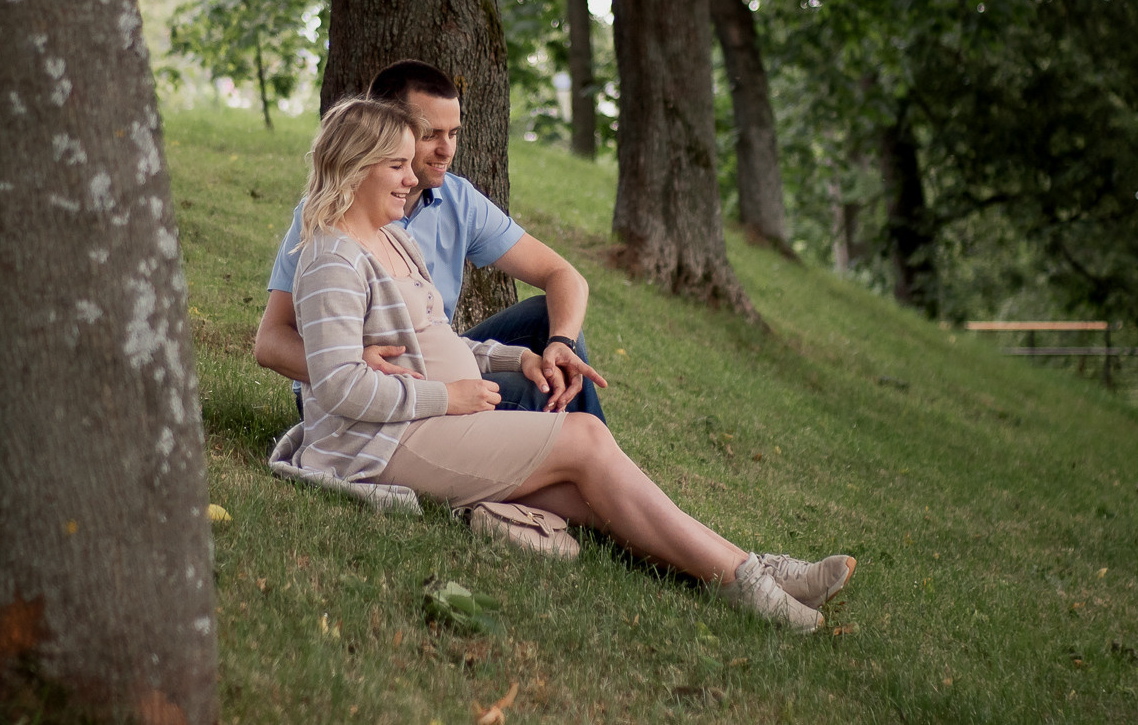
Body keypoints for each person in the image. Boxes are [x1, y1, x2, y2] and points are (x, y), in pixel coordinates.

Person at [287, 98, 854, 631]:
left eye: (411, 165)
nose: (413, 179)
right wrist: (450, 397)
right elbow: (338, 386)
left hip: (429, 424)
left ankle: (750, 570)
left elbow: (437, 339)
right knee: (585, 441)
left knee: (593, 492)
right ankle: (750, 585)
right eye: (397, 166)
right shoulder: (333, 257)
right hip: (381, 443)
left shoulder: (392, 240)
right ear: (358, 167)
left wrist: (516, 357)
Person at [254, 60, 606, 420]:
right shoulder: (329, 215)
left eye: (453, 134)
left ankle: (592, 458)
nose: (446, 150)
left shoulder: (458, 200)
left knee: (545, 325)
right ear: (389, 131)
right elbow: (270, 342)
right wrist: (357, 364)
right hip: (365, 392)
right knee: (539, 391)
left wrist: (560, 342)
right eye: (430, 134)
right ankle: (588, 460)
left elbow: (564, 276)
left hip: (434, 361)